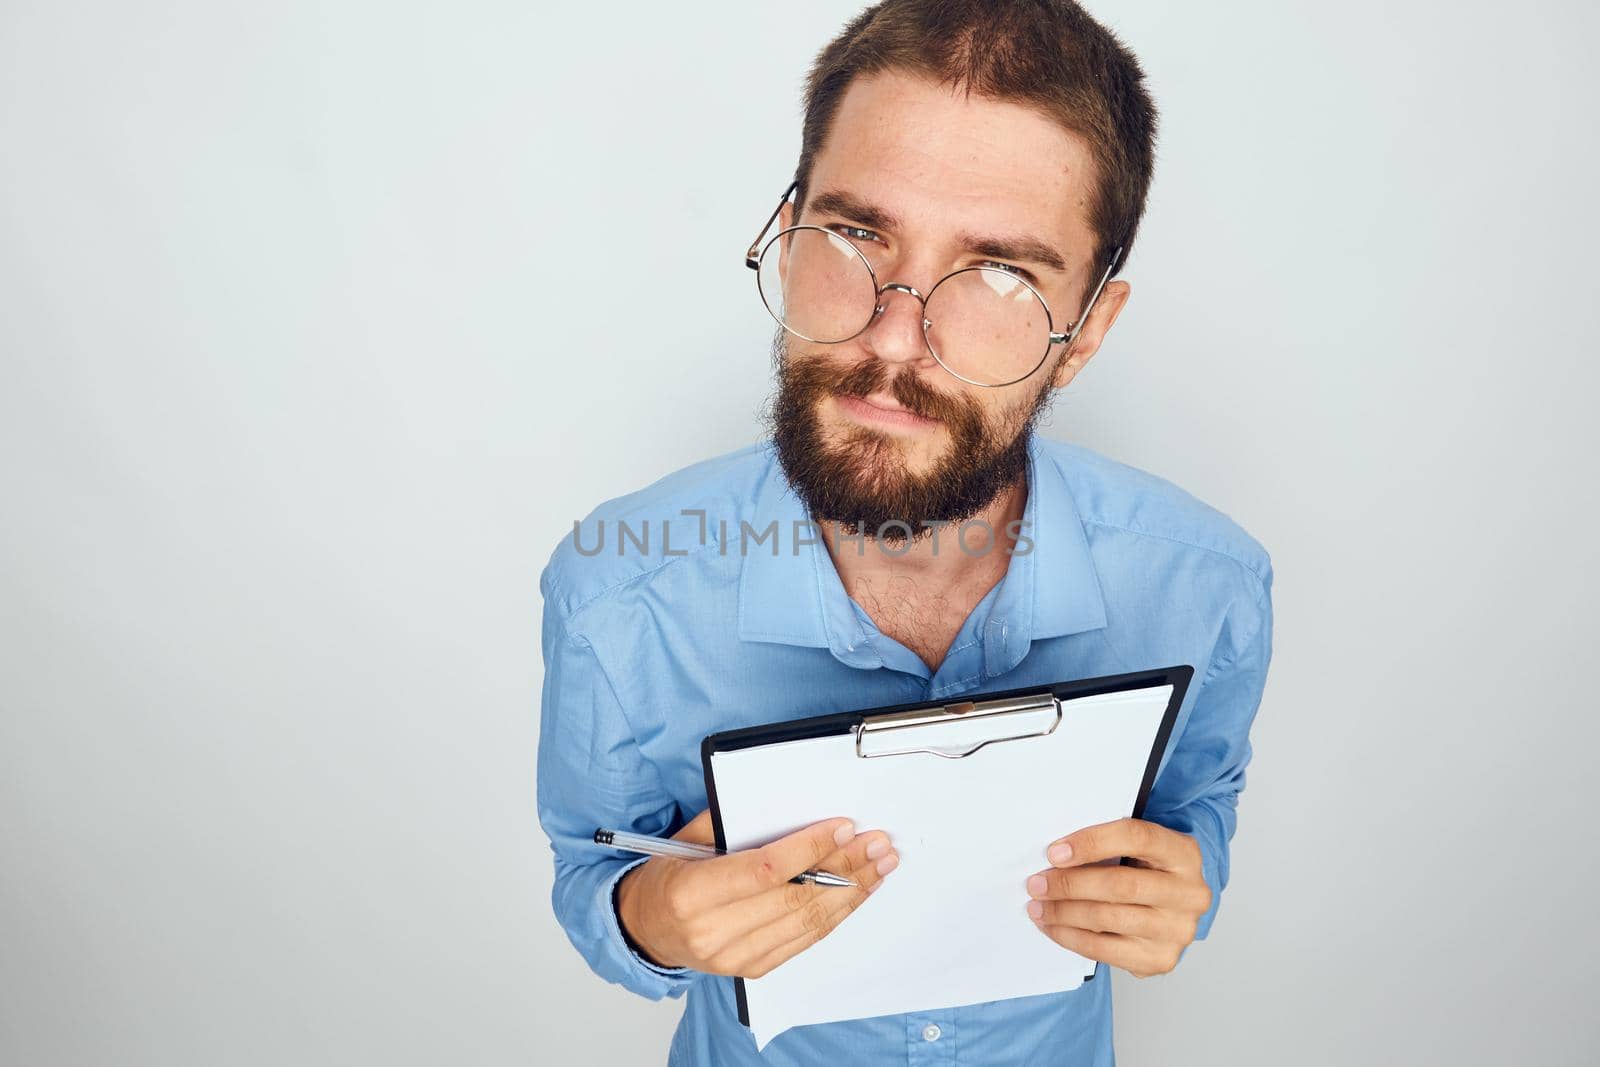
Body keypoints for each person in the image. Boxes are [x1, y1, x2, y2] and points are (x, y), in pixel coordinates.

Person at [535, 1, 1274, 1062]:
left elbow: (1194, 806)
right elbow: (590, 870)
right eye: (852, 232)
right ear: (784, 237)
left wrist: (1177, 894)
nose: (892, 339)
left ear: (1086, 332)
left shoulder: (1207, 586)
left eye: (1001, 273)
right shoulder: (613, 595)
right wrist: (656, 918)